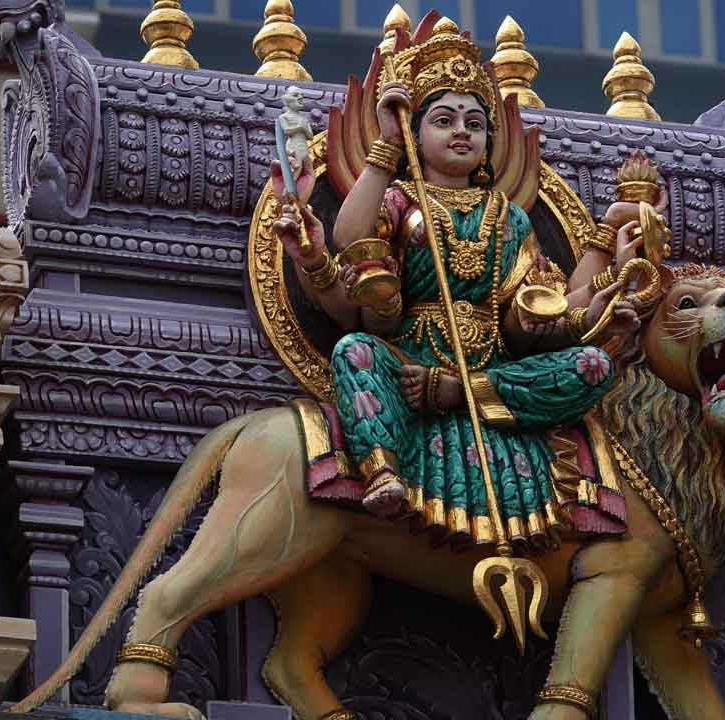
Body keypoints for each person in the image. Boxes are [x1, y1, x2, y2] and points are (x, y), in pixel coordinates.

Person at [271, 18, 644, 544]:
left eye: (475, 122)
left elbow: (537, 311)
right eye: (443, 120)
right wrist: (384, 145)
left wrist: (602, 266)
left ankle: (461, 394)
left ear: (493, 140)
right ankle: (382, 467)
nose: (462, 131)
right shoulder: (401, 200)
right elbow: (354, 245)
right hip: (407, 363)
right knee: (355, 350)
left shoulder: (509, 217)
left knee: (593, 364)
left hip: (492, 370)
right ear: (415, 135)